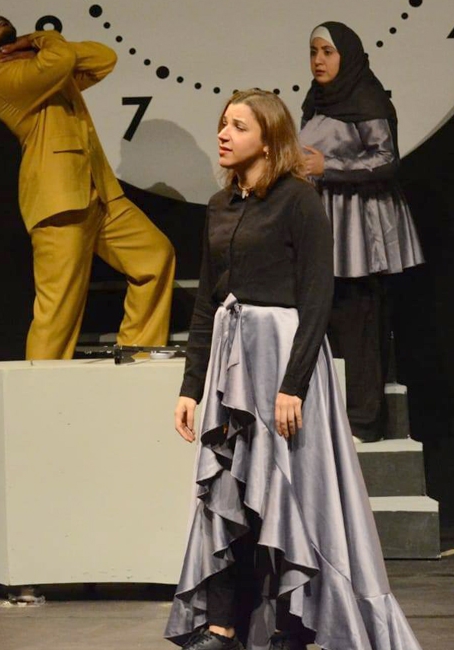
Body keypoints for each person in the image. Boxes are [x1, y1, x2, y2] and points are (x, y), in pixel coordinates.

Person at [167, 90, 420, 650]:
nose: (224, 134)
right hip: (233, 370)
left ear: (268, 139)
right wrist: (191, 387)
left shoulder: (299, 201)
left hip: (284, 364)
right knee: (231, 492)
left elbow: (316, 296)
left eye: (239, 126)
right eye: (223, 124)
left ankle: (297, 626)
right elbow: (209, 302)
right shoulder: (220, 205)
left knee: (292, 496)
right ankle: (223, 626)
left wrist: (292, 386)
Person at [0, 4, 174, 358]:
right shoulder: (4, 78)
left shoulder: (41, 67)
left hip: (100, 192)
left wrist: (36, 46)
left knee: (155, 256)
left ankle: (136, 358)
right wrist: (41, 38)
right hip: (57, 198)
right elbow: (60, 61)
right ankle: (39, 389)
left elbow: (104, 59)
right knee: (58, 310)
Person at [299, 22, 425, 443]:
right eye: (313, 51)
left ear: (347, 56)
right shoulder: (316, 99)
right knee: (328, 319)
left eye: (327, 52)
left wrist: (329, 168)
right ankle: (331, 418)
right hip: (326, 218)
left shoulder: (366, 97)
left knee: (360, 321)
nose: (318, 60)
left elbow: (386, 161)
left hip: (360, 222)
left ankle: (364, 422)